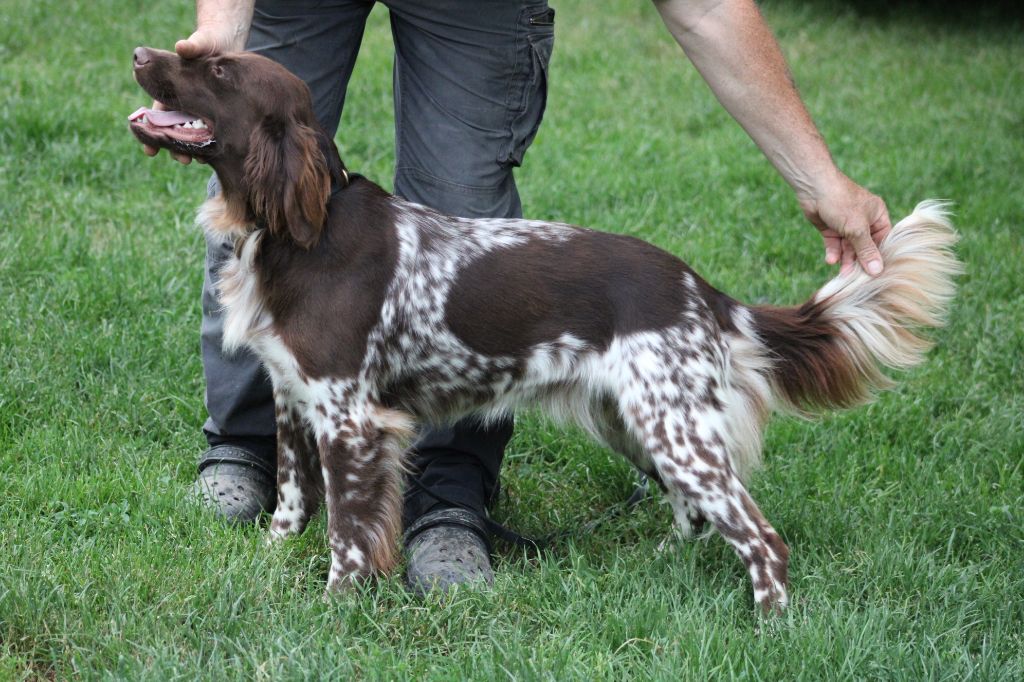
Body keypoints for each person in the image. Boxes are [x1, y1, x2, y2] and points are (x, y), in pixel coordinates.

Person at [141, 0, 892, 594]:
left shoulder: (631, 293)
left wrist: (820, 179)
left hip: (617, 285)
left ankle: (450, 501)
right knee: (279, 287)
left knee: (462, 192)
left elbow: (705, 5)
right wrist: (217, 40)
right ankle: (251, 465)